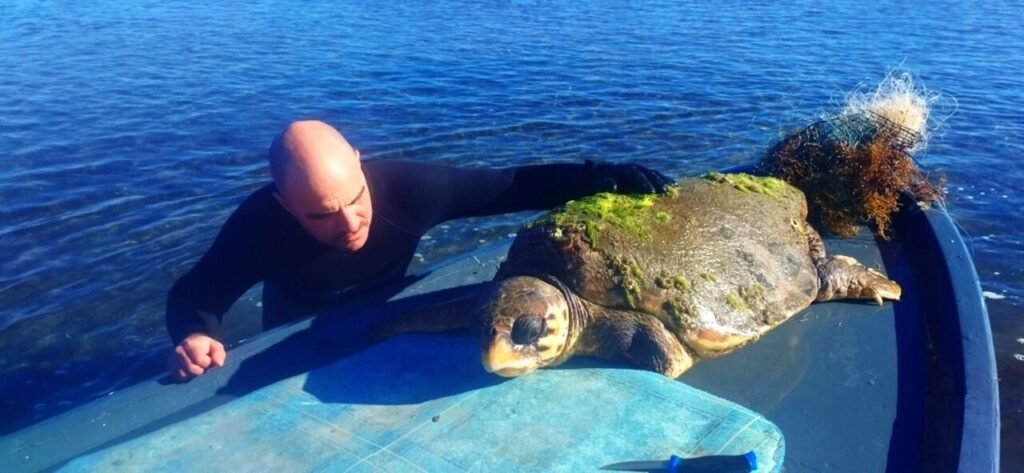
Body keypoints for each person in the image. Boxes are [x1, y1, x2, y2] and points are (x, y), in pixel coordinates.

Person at [166, 120, 673, 380]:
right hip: (295, 326)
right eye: (321, 215)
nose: (349, 224)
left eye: (355, 199)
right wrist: (193, 336)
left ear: (361, 166)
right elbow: (197, 292)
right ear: (285, 204)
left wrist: (599, 175)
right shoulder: (258, 224)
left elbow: (509, 186)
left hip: (384, 304)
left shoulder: (408, 189)